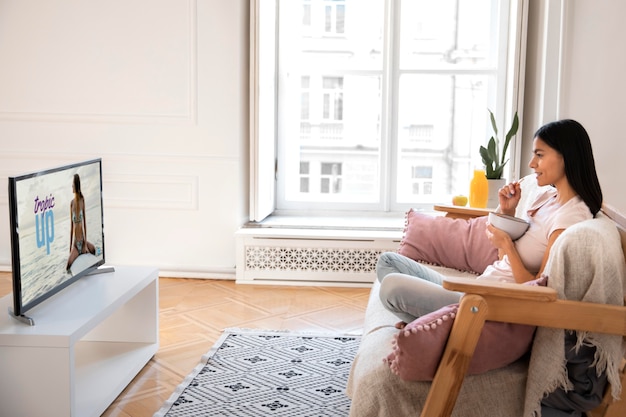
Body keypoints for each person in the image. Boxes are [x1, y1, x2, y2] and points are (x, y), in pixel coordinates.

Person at [377, 119, 603, 324]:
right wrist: (509, 210)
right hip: (478, 288)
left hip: (483, 305)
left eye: (540, 155)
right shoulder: (548, 198)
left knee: (391, 287)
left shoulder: (570, 217)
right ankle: (428, 322)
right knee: (388, 262)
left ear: (566, 156)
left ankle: (431, 323)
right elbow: (504, 260)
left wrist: (506, 244)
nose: (532, 163)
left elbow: (539, 292)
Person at [66, 173, 96, 271]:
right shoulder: (71, 204)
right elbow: (71, 228)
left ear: (76, 185)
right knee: (68, 265)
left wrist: (84, 245)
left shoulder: (82, 200)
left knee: (94, 249)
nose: (71, 187)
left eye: (72, 185)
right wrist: (70, 247)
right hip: (75, 244)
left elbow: (85, 224)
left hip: (83, 241)